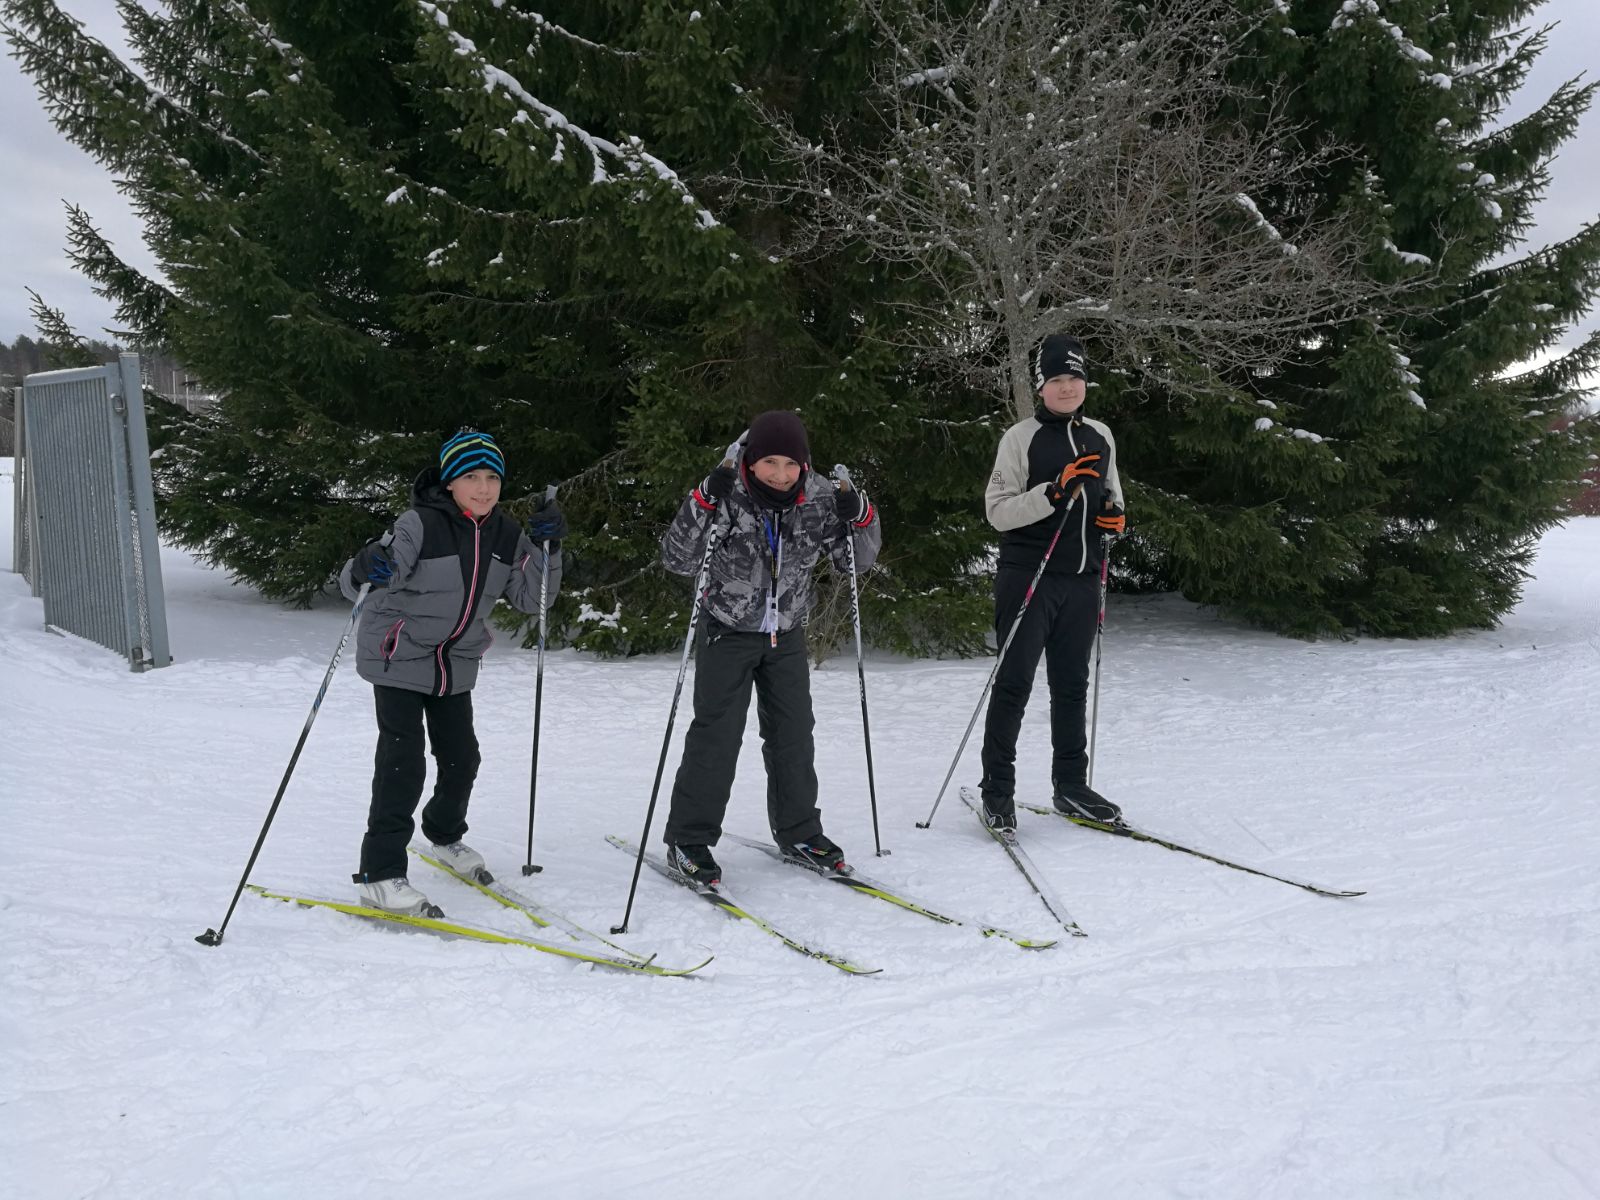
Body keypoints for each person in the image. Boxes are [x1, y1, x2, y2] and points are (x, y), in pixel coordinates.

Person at [339, 429, 566, 915]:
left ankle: (443, 835)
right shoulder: (419, 524)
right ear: (450, 482)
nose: (483, 488)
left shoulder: (506, 534)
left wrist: (547, 550)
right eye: (471, 477)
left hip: (454, 662)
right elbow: (365, 580)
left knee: (463, 758)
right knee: (403, 764)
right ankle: (380, 873)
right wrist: (365, 566)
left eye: (492, 478)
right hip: (398, 655)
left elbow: (532, 600)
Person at [658, 410, 882, 885]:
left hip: (787, 632)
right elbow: (677, 558)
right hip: (727, 629)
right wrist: (703, 498)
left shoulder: (819, 497)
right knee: (717, 736)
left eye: (791, 464)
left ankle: (799, 832)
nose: (781, 475)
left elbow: (854, 563)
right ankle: (688, 839)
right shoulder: (728, 492)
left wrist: (861, 516)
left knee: (793, 734)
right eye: (770, 463)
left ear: (804, 464)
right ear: (751, 461)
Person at [979, 334, 1127, 831]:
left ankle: (1071, 785)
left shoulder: (1101, 436)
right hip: (1029, 576)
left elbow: (1113, 497)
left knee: (1071, 686)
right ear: (1041, 386)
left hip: (1083, 579)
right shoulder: (1020, 438)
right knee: (1014, 684)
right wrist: (1054, 491)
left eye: (1075, 378)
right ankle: (997, 790)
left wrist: (1115, 519)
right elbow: (997, 512)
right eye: (1057, 379)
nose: (1067, 388)